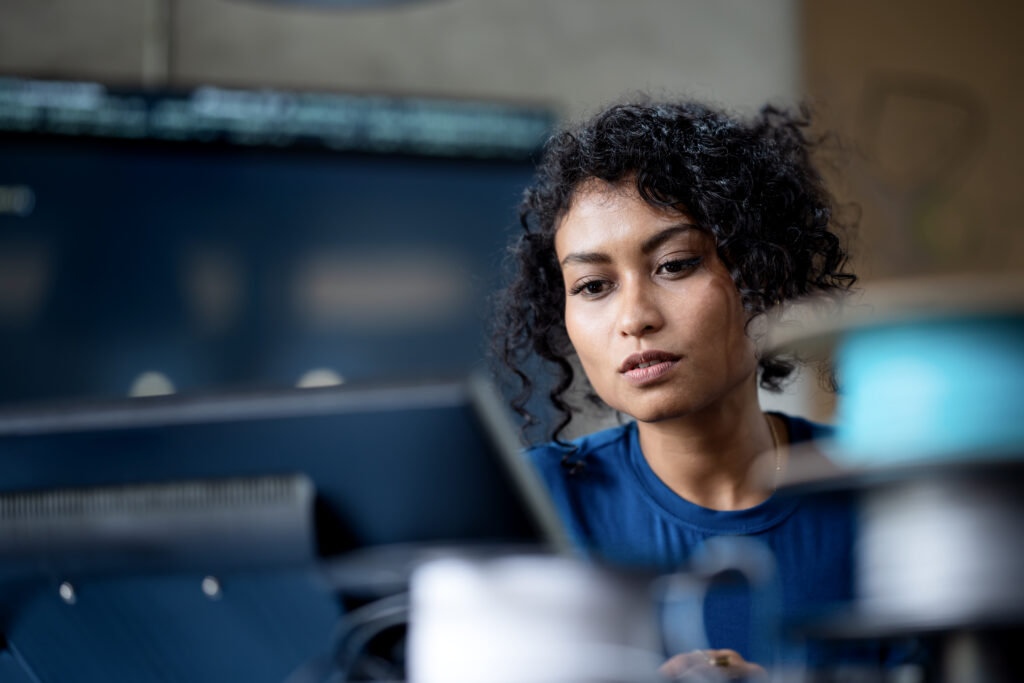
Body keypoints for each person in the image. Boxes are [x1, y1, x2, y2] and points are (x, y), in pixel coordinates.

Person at [493, 100, 870, 679]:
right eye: (593, 285)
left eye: (674, 264)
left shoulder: (880, 494)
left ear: (760, 276)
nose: (634, 317)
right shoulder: (528, 507)